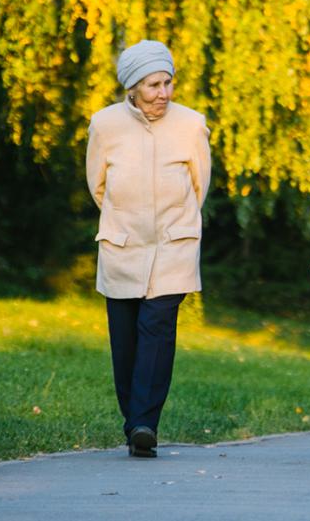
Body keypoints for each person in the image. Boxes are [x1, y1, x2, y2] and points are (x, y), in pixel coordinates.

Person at [86, 40, 211, 458]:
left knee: (156, 332)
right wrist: (127, 221)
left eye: (168, 83)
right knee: (125, 342)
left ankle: (144, 423)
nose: (163, 93)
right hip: (122, 247)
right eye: (154, 85)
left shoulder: (191, 125)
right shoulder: (104, 125)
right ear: (133, 87)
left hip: (173, 248)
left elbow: (199, 185)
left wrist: (176, 226)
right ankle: (134, 421)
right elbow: (97, 185)